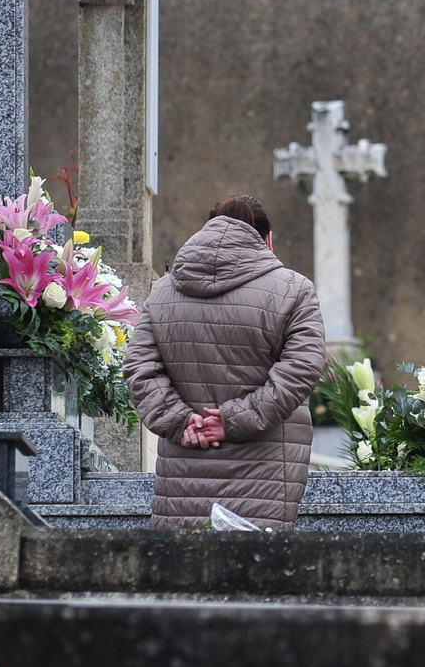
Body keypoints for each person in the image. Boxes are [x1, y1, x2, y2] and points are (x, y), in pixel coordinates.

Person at [123, 194, 327, 530]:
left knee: (183, 571)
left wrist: (182, 422)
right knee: (253, 570)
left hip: (184, 467)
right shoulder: (295, 290)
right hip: (264, 470)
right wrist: (234, 420)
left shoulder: (161, 293)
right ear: (267, 240)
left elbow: (139, 368)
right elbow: (302, 368)